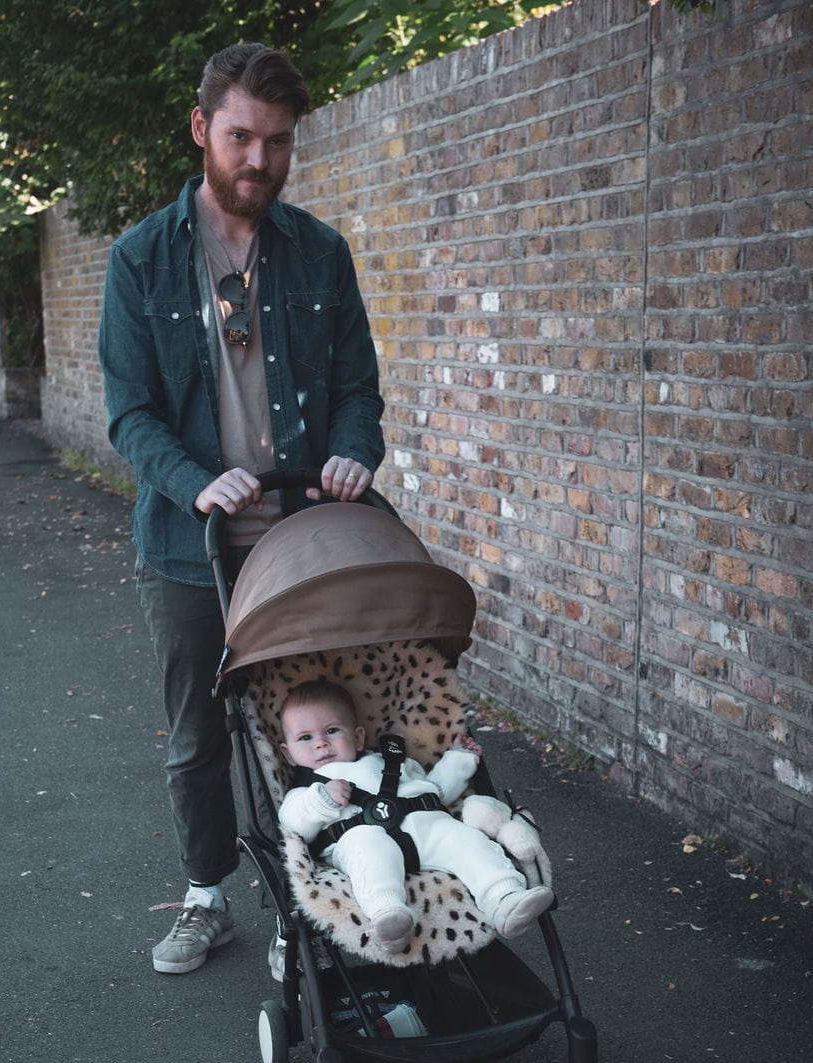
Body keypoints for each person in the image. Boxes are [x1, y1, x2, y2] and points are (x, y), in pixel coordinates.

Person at [99, 42, 385, 975]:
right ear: (202, 130)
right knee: (198, 738)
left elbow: (356, 387)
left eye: (276, 142)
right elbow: (130, 412)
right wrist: (192, 481)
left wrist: (352, 451)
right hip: (192, 544)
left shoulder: (321, 252)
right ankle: (205, 895)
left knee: (310, 726)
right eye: (239, 138)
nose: (258, 160)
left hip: (306, 537)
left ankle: (319, 898)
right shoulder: (141, 260)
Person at [277, 680, 554, 952]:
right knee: (369, 855)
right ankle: (388, 915)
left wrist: (459, 758)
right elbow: (293, 823)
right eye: (306, 738)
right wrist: (321, 800)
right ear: (288, 754)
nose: (321, 744)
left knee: (468, 842)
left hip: (429, 827)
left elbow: (435, 789)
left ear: (358, 737)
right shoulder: (306, 790)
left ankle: (504, 898)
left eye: (332, 731)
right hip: (363, 836)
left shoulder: (390, 761)